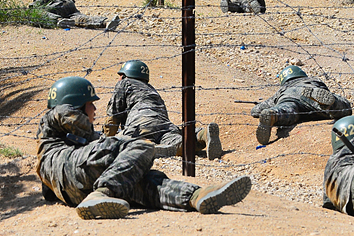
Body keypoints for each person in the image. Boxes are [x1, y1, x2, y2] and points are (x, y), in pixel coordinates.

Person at [36, 76, 252, 220]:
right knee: (141, 146)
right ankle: (102, 193)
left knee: (144, 184)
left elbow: (49, 192)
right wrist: (91, 132)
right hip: (81, 169)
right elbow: (64, 112)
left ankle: (195, 196)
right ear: (76, 104)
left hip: (79, 189)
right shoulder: (55, 118)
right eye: (90, 103)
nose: (94, 108)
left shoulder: (47, 154)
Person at [104, 60, 222, 159]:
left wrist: (106, 140)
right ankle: (202, 134)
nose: (119, 78)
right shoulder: (151, 89)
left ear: (125, 75)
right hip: (165, 125)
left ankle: (153, 149)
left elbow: (114, 115)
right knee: (174, 139)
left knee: (120, 145)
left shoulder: (124, 83)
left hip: (141, 123)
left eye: (120, 75)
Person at [251, 65, 352, 145]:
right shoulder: (313, 80)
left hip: (289, 97)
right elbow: (325, 90)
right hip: (309, 91)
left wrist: (261, 107)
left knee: (286, 110)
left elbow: (256, 110)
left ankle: (275, 115)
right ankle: (329, 105)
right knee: (344, 107)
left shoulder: (283, 89)